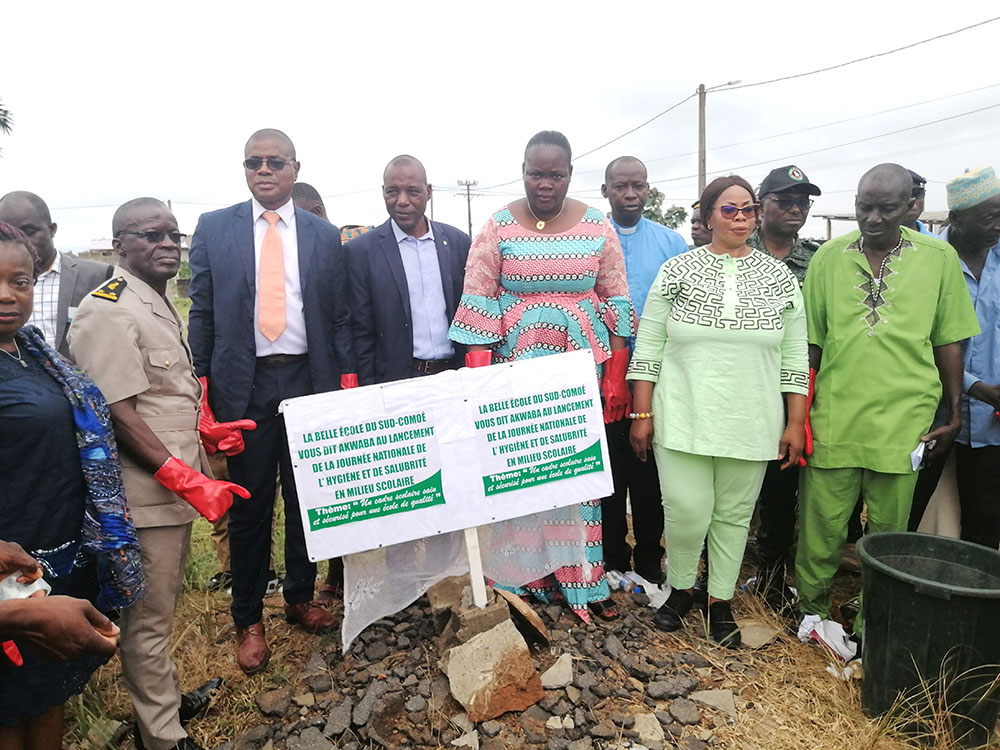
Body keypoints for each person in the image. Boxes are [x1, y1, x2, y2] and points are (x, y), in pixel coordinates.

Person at [71, 199, 249, 750]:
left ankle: (164, 703)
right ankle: (163, 737)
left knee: (160, 610)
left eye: (174, 235)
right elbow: (115, 414)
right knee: (146, 621)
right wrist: (184, 475)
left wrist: (207, 431)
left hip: (168, 482)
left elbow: (163, 394)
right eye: (152, 235)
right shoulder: (108, 310)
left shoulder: (157, 300)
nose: (168, 244)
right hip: (143, 492)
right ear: (120, 243)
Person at [188, 129, 356, 674]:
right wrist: (203, 387)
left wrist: (341, 385)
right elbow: (204, 313)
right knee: (250, 505)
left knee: (309, 501)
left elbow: (337, 316)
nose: (264, 170)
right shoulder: (216, 229)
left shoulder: (324, 235)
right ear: (245, 169)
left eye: (275, 162)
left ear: (293, 168)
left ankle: (301, 598)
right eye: (253, 162)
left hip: (308, 380)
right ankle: (248, 618)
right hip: (246, 387)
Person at [449, 130, 634, 622]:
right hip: (515, 370)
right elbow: (479, 297)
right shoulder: (499, 226)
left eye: (555, 174)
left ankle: (582, 581)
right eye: (536, 173)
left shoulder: (597, 226)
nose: (545, 183)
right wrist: (479, 378)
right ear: (523, 170)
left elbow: (615, 296)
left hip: (581, 372)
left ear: (570, 175)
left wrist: (616, 373)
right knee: (520, 470)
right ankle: (523, 578)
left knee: (576, 472)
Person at [795, 164, 980, 626]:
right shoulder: (828, 258)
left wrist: (956, 412)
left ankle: (873, 623)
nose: (874, 218)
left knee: (887, 534)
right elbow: (812, 343)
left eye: (887, 208)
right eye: (864, 207)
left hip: (905, 422)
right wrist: (798, 413)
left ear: (912, 206)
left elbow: (949, 340)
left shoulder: (938, 258)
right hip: (835, 416)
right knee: (821, 530)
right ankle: (811, 612)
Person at [627, 175, 808, 647]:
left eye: (748, 209)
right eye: (729, 210)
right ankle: (681, 587)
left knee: (732, 515)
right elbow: (648, 345)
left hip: (751, 420)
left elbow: (794, 358)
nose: (741, 218)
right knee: (686, 510)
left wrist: (793, 422)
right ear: (708, 216)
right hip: (682, 414)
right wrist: (641, 415)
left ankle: (719, 601)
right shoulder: (678, 271)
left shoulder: (779, 278)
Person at [0, 223, 143, 750]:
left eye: (19, 281)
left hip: (60, 554)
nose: (6, 295)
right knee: (9, 705)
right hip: (12, 572)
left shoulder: (32, 351)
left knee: (47, 694)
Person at [599, 156, 688, 583]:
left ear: (649, 190)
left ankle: (650, 557)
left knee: (650, 473)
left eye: (638, 186)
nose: (630, 194)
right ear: (605, 191)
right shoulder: (590, 239)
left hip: (657, 379)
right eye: (620, 186)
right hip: (602, 378)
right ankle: (612, 556)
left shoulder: (673, 245)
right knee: (611, 470)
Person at [908, 167, 1000, 547]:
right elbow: (917, 338)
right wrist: (974, 387)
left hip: (992, 423)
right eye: (989, 217)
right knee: (910, 512)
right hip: (930, 413)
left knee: (986, 519)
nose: (998, 225)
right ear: (957, 219)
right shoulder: (925, 261)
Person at [744, 165, 822, 609]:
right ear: (761, 202)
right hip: (741, 385)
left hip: (794, 388)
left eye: (803, 202)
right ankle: (718, 572)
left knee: (782, 486)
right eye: (784, 200)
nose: (795, 209)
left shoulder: (819, 259)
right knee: (733, 484)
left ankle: (773, 577)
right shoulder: (735, 247)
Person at [348, 155, 471, 384]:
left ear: (429, 192)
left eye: (413, 191)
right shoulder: (361, 252)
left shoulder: (458, 243)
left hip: (456, 378)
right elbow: (361, 333)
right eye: (392, 191)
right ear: (383, 192)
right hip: (397, 383)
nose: (402, 201)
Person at [0, 191, 112, 358]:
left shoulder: (99, 276)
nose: (20, 241)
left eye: (29, 231)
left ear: (52, 230)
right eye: (10, 233)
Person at [903, 169, 935, 235]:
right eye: (904, 195)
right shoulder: (877, 241)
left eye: (917, 193)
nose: (911, 200)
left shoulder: (938, 242)